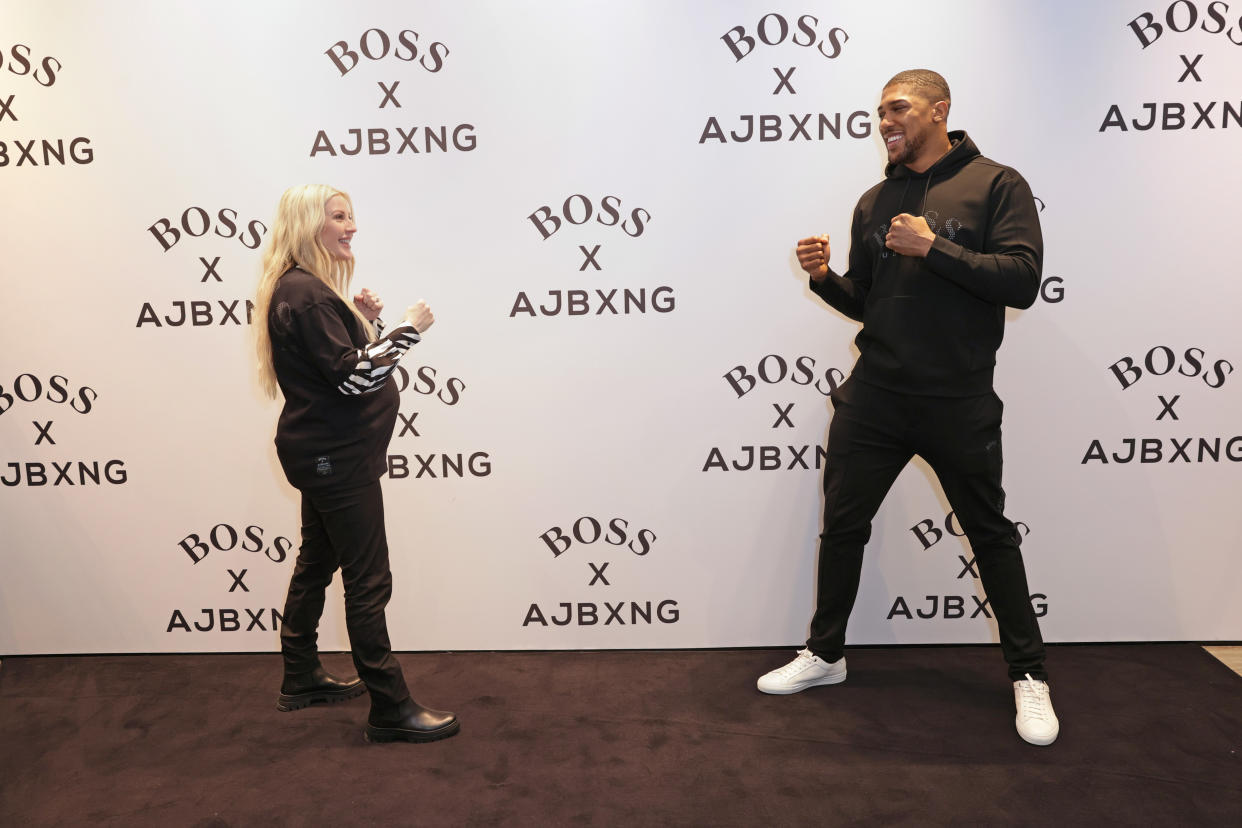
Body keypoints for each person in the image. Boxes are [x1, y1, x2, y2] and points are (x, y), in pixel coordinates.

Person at [756, 70, 1059, 746]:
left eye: (898, 110)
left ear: (939, 111)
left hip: (958, 397)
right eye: (879, 113)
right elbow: (870, 301)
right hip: (876, 396)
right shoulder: (873, 200)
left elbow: (1022, 280)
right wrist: (824, 279)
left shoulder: (996, 183)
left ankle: (1029, 675)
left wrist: (936, 246)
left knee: (990, 534)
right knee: (842, 527)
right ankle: (826, 655)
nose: (884, 122)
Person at [253, 184, 459, 743]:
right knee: (368, 580)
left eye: (352, 216)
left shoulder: (302, 289)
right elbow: (353, 377)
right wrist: (406, 329)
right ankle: (390, 705)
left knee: (318, 560)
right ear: (308, 226)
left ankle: (300, 675)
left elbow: (339, 365)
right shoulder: (310, 293)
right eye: (339, 216)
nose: (352, 226)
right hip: (335, 459)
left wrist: (366, 323)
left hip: (324, 455)